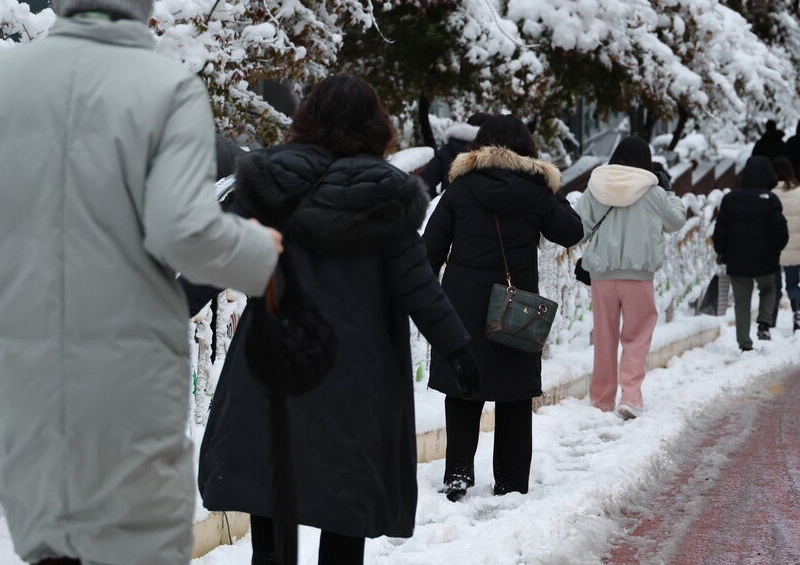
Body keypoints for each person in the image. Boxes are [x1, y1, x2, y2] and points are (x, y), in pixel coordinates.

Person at [0, 0, 283, 564]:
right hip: (126, 374)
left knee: (51, 546)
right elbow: (185, 232)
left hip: (25, 371)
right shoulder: (166, 90)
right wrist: (261, 252)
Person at [196, 74, 480, 565]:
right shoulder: (388, 196)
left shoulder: (266, 179)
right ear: (377, 126)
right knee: (346, 502)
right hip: (354, 376)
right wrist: (458, 348)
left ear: (306, 117)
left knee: (269, 483)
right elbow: (417, 285)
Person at [422, 114, 584, 501]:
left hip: (461, 302)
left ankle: (458, 475)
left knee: (463, 390)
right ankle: (511, 483)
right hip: (516, 305)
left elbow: (429, 250)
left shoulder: (460, 188)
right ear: (528, 148)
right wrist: (548, 187)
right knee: (513, 394)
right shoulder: (537, 191)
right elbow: (571, 230)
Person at [574, 138, 686, 420]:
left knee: (604, 336)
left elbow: (579, 227)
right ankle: (631, 396)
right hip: (638, 276)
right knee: (636, 337)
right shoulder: (653, 192)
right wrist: (669, 190)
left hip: (602, 275)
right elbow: (676, 221)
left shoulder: (596, 187)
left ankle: (601, 399)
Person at [713, 156, 789, 351]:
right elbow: (780, 231)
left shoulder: (730, 199)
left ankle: (744, 343)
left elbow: (720, 231)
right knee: (769, 288)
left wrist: (722, 251)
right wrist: (778, 246)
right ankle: (764, 322)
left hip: (737, 261)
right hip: (766, 260)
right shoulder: (770, 199)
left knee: (741, 302)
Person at [770, 156, 800, 331]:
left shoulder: (769, 193)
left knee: (774, 285)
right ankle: (797, 313)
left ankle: (771, 319)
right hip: (794, 246)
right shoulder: (799, 192)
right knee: (793, 284)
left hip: (773, 247)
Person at [418, 112, 489, 197]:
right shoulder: (491, 157)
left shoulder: (447, 150)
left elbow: (424, 184)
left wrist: (439, 203)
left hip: (448, 207)